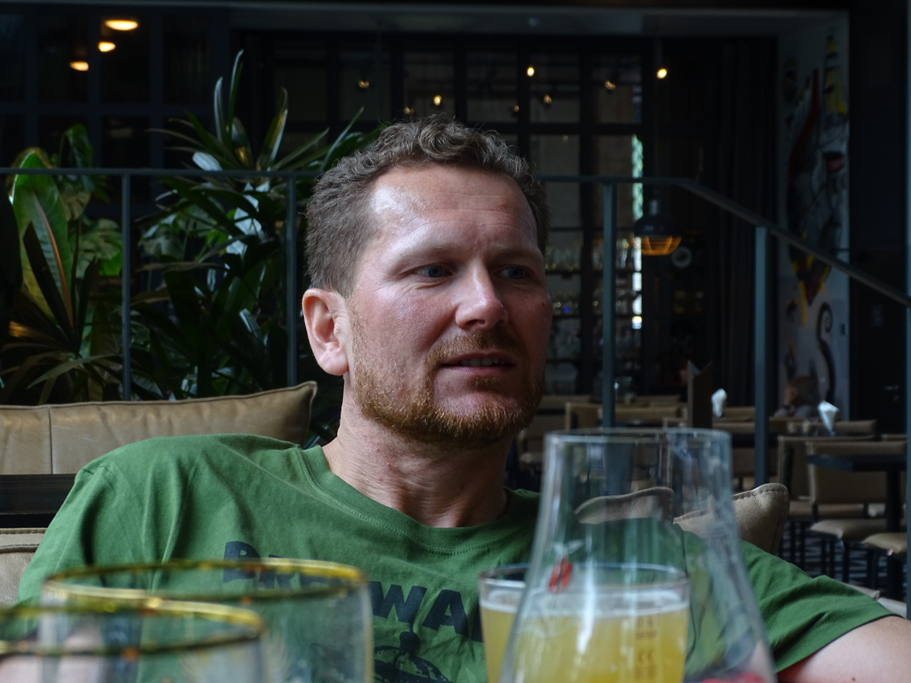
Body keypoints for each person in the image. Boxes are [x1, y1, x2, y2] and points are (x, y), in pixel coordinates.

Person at [17, 116, 911, 683]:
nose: (486, 304)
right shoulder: (164, 495)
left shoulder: (635, 572)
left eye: (515, 272)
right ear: (328, 330)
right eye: (431, 270)